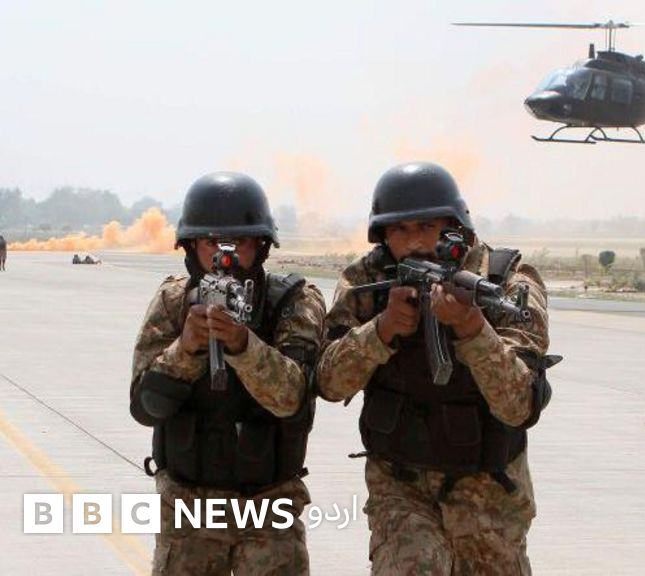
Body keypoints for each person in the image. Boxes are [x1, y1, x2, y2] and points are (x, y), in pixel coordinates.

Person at [317, 162, 555, 575]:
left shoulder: (508, 282)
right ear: (383, 235)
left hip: (489, 492)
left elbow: (519, 405)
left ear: (454, 226)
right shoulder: (365, 281)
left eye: (427, 227)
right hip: (400, 486)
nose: (415, 242)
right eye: (401, 230)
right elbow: (329, 384)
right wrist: (381, 330)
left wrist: (472, 329)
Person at [129, 172, 325, 575]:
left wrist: (242, 346)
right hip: (188, 506)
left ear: (261, 246)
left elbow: (293, 399)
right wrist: (186, 349)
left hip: (270, 504)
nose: (225, 256)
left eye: (240, 243)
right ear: (191, 247)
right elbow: (145, 406)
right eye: (211, 243)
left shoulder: (293, 301)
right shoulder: (173, 302)